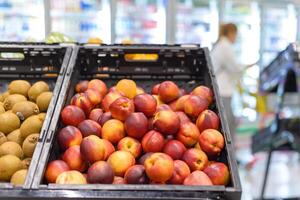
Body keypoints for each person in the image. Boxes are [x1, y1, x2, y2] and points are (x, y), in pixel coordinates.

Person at [211, 23, 254, 143]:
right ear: (230, 33)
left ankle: (231, 152)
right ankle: (231, 154)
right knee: (228, 124)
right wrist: (247, 66)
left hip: (221, 89)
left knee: (228, 122)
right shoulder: (225, 46)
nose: (236, 37)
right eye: (235, 34)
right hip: (222, 90)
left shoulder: (220, 44)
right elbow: (235, 68)